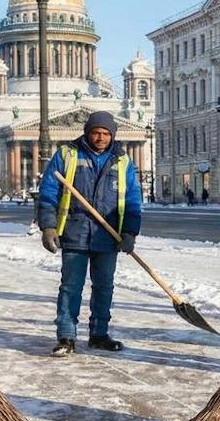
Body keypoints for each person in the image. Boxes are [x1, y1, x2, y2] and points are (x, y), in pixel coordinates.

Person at [37, 111, 142, 357]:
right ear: (87, 132)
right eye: (96, 132)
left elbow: (133, 199)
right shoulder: (68, 154)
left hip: (108, 236)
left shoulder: (122, 161)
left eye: (106, 134)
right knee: (71, 287)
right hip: (75, 232)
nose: (101, 138)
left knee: (104, 286)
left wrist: (130, 231)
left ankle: (99, 334)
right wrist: (48, 225)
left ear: (112, 135)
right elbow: (49, 191)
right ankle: (66, 335)